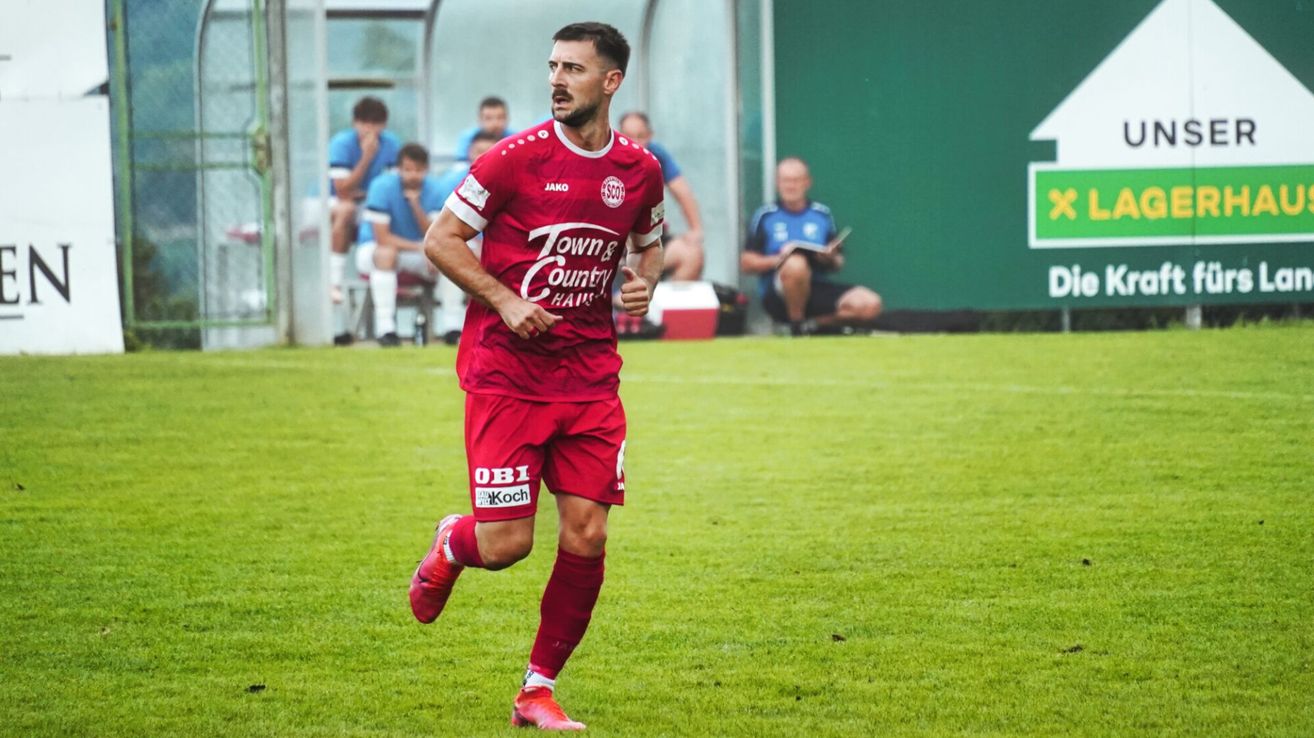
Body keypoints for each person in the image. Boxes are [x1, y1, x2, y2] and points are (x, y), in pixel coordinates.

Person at [412, 21, 664, 731]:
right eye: (553, 66)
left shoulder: (639, 170)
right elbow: (441, 240)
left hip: (589, 379)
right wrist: (504, 299)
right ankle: (453, 541)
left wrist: (643, 282)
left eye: (573, 69)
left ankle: (537, 689)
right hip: (507, 377)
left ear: (610, 82)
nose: (556, 79)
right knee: (507, 547)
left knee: (587, 534)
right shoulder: (513, 160)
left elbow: (649, 243)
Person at [741, 157, 882, 335]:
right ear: (777, 183)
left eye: (796, 180)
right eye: (786, 180)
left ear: (807, 182)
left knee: (870, 304)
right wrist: (781, 259)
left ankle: (812, 326)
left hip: (817, 286)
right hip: (779, 293)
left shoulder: (821, 214)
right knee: (796, 264)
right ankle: (796, 325)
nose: (791, 186)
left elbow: (838, 263)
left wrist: (830, 257)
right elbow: (746, 263)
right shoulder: (766, 215)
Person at [328, 97, 401, 343]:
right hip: (337, 203)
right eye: (364, 123)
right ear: (355, 123)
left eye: (375, 124)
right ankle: (334, 280)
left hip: (370, 202)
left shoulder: (391, 144)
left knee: (386, 214)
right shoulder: (342, 143)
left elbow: (391, 187)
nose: (369, 130)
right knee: (346, 210)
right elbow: (342, 190)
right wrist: (367, 157)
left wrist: (366, 194)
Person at [356, 143, 444, 347]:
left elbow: (434, 234)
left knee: (450, 259)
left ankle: (452, 328)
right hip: (374, 250)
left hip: (416, 252)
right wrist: (421, 248)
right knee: (387, 254)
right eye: (407, 169)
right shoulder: (381, 186)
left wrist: (415, 205)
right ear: (398, 169)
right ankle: (386, 329)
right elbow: (383, 238)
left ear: (426, 169)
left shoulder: (435, 189)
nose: (412, 175)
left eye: (418, 170)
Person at [430, 131, 500, 344]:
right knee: (452, 255)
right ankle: (452, 327)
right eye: (479, 151)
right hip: (464, 244)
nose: (484, 156)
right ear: (469, 153)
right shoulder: (451, 181)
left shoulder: (510, 179)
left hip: (498, 249)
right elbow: (439, 229)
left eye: (490, 151)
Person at [618, 111, 704, 280]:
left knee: (692, 255)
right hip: (615, 245)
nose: (634, 143)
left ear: (650, 136)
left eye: (640, 136)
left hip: (651, 241)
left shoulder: (657, 155)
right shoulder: (606, 156)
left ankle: (661, 295)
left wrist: (696, 230)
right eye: (628, 136)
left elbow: (683, 192)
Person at [453, 96, 512, 162]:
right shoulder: (467, 138)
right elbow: (461, 163)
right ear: (479, 120)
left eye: (500, 117)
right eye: (488, 118)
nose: (495, 123)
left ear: (507, 118)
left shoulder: (514, 137)